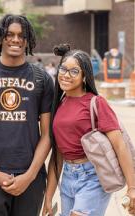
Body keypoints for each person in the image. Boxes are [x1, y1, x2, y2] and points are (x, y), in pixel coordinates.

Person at [0, 14, 54, 216]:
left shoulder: (42, 79)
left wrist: (30, 175)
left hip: (31, 178)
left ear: (28, 40)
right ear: (0, 38)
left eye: (21, 36)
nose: (16, 40)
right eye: (9, 34)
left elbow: (47, 134)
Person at [42, 44, 135, 216]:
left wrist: (132, 188)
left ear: (84, 76)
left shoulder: (96, 103)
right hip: (68, 178)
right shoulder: (58, 104)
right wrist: (48, 196)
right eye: (63, 69)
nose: (66, 75)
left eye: (74, 71)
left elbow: (120, 146)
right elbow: (57, 155)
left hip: (94, 176)